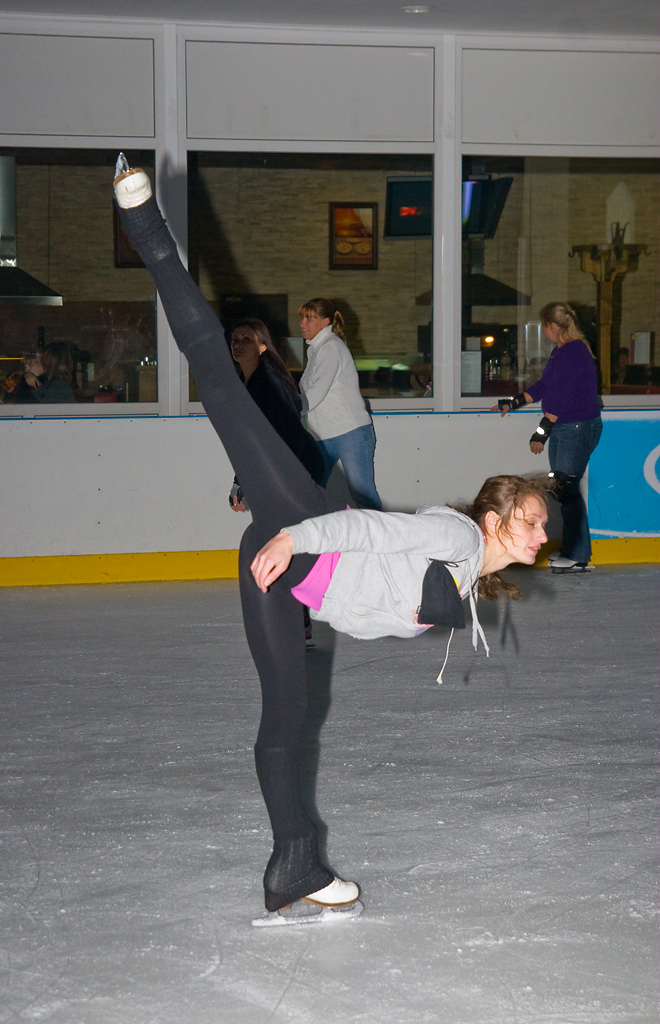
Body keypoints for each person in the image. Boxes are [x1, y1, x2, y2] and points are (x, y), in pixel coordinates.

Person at [113, 155, 549, 924]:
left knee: (286, 715)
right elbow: (370, 527)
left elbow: (374, 603)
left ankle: (294, 863)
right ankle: (145, 226)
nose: (542, 533)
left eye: (543, 524)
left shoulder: (468, 576)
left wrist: (313, 589)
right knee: (221, 384)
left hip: (293, 575)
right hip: (306, 535)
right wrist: (297, 539)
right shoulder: (453, 536)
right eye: (532, 519)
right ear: (494, 519)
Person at [492, 301, 602, 573]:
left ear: (552, 326)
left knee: (566, 489)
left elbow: (560, 398)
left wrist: (540, 433)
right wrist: (513, 402)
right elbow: (545, 386)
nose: (544, 332)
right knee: (563, 489)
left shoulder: (572, 352)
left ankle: (577, 554)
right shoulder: (562, 352)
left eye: (544, 326)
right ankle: (573, 550)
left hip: (576, 428)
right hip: (569, 427)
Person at [228, 318, 325, 511]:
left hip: (298, 463)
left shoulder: (269, 382)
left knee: (295, 519)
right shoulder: (243, 384)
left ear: (262, 347)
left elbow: (284, 432)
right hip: (282, 465)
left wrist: (246, 481)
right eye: (234, 340)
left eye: (246, 339)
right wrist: (239, 482)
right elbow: (249, 441)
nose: (238, 345)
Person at [298, 298, 382, 510]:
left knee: (364, 498)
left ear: (325, 322)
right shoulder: (316, 349)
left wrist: (291, 410)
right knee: (311, 492)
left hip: (350, 432)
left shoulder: (330, 348)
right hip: (322, 436)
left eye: (309, 318)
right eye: (302, 318)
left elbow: (316, 392)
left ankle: (381, 533)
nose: (302, 323)